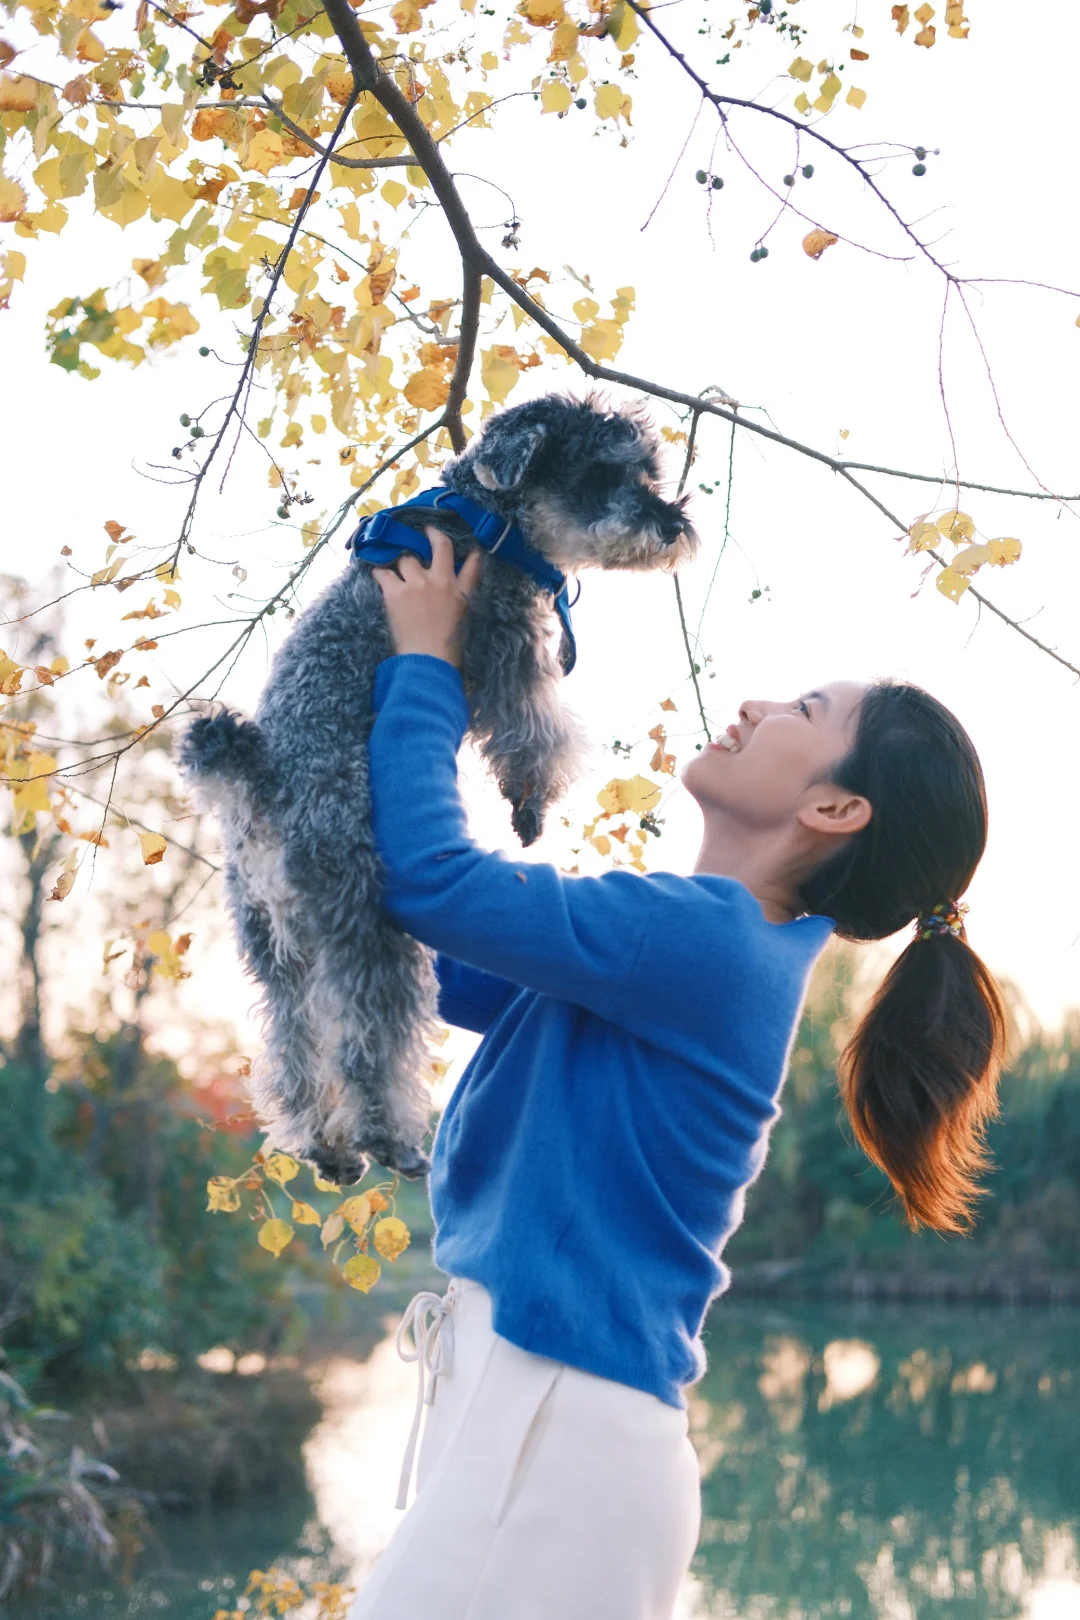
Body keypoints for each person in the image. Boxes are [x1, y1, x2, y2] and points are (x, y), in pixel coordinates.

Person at [347, 530, 1006, 1620]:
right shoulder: (697, 946)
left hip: (557, 1432)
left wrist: (427, 663)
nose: (755, 706)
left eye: (803, 710)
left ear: (835, 809)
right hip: (536, 1422)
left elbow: (434, 885)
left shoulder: (706, 944)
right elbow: (443, 966)